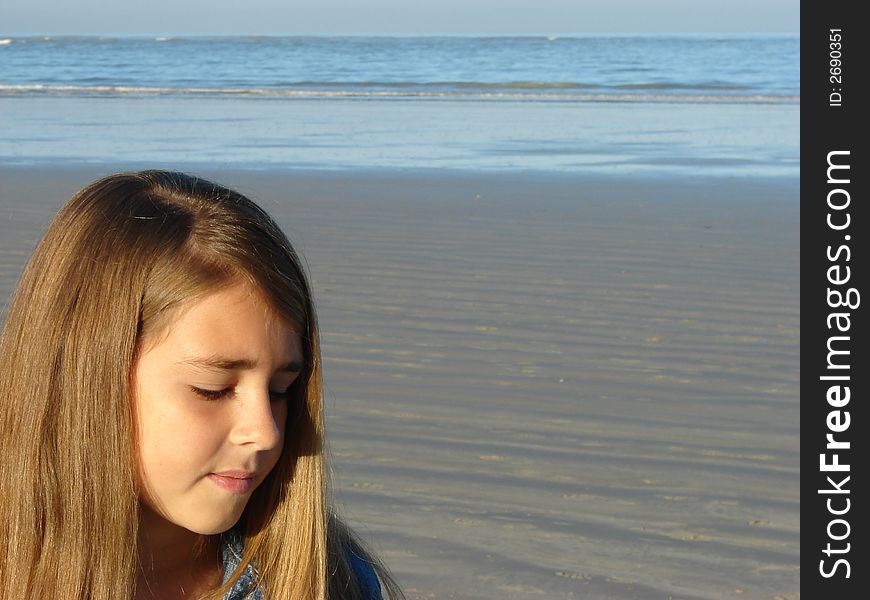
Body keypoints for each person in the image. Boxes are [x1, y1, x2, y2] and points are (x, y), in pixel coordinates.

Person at [0, 171, 403, 600]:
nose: (265, 432)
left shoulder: (329, 581)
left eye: (280, 390)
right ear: (84, 381)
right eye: (213, 389)